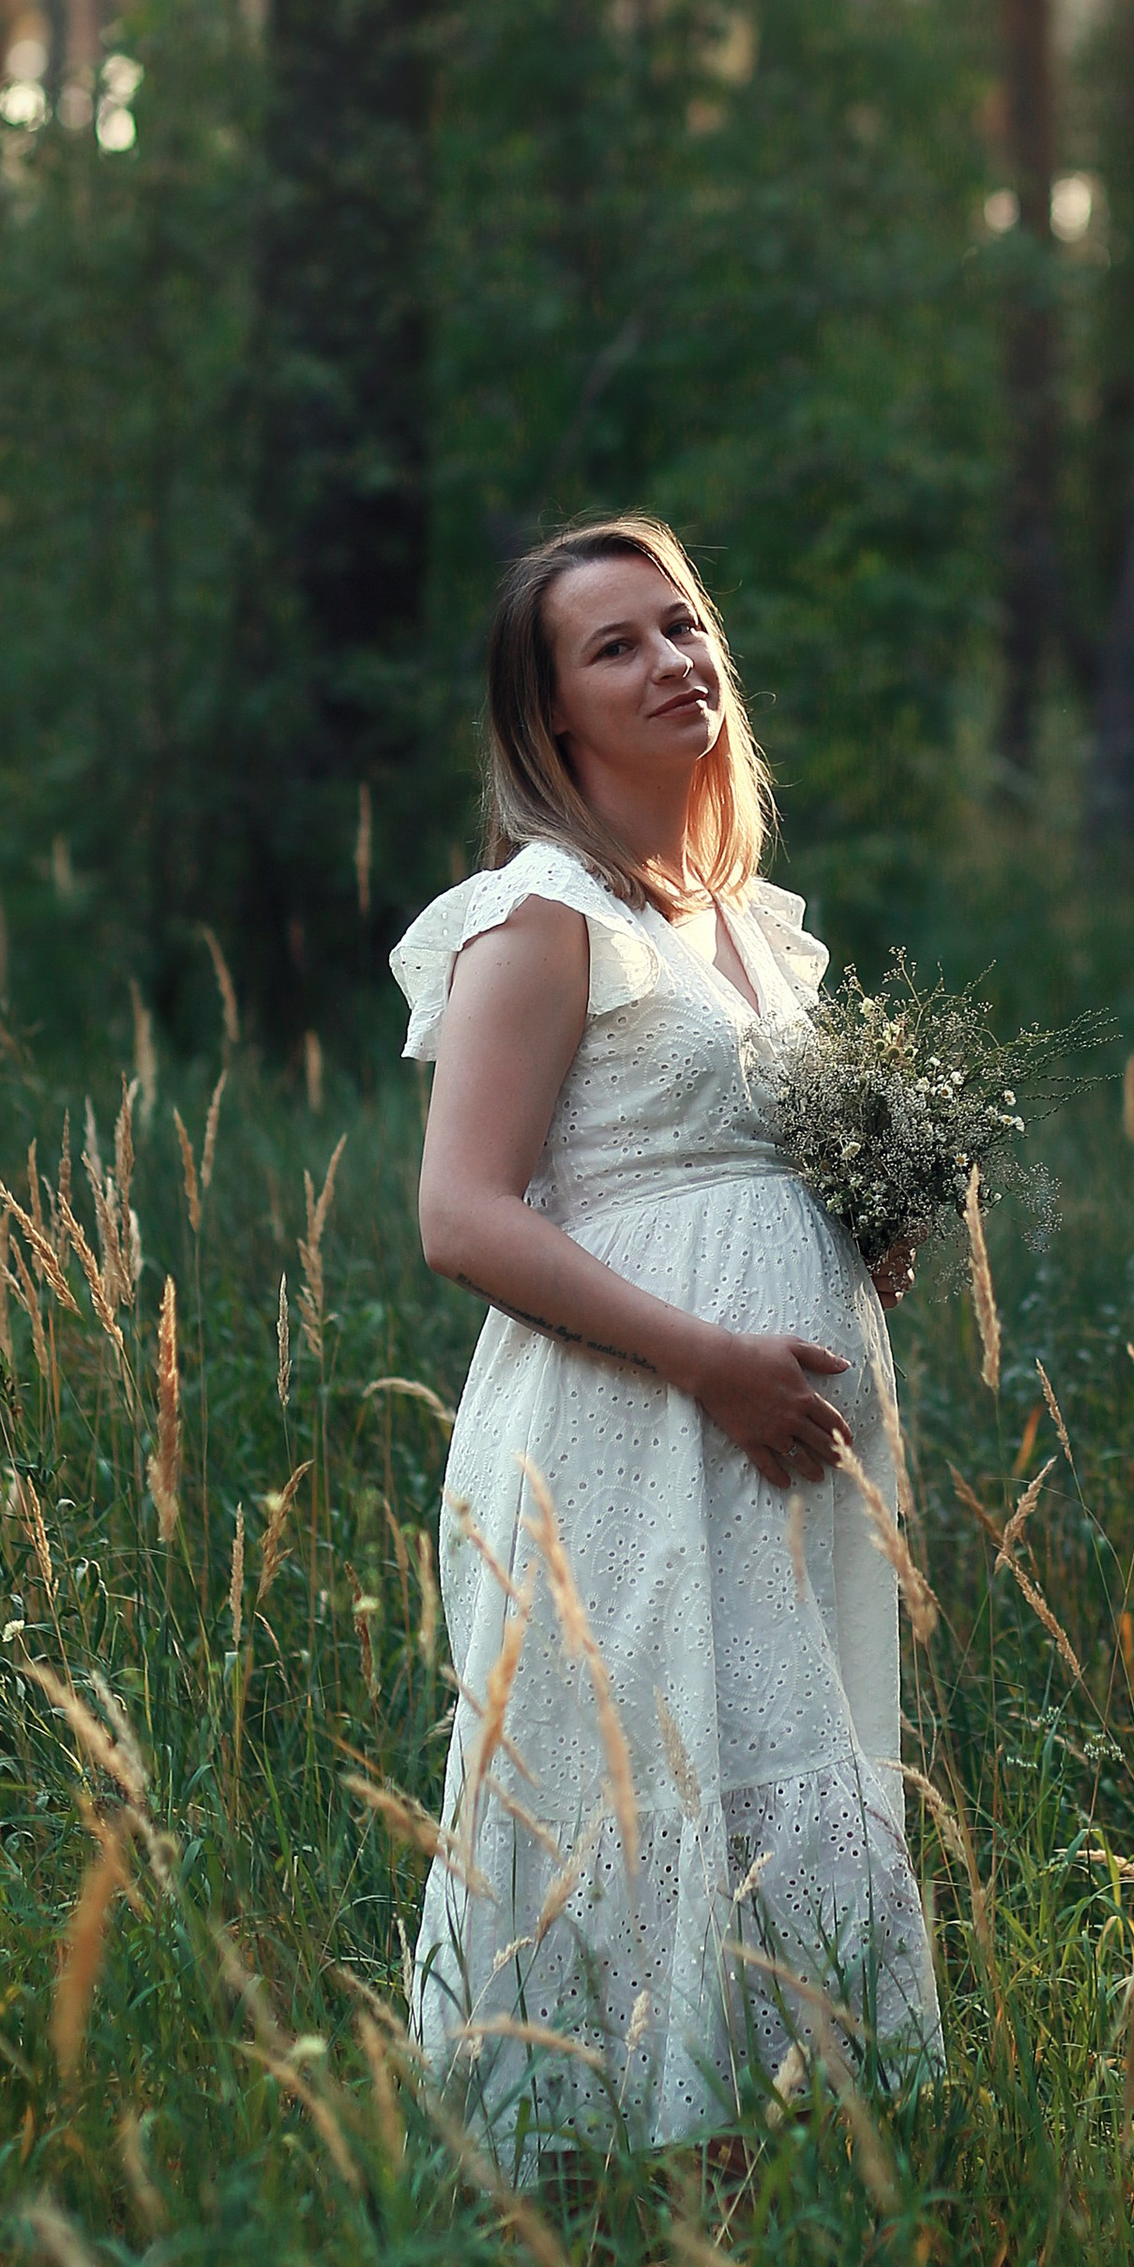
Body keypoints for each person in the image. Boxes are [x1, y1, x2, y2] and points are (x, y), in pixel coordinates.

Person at [390, 515, 943, 2159]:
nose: (673, 662)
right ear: (552, 714)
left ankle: (752, 2183)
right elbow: (465, 1213)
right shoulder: (540, 913)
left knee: (784, 1753)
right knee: (644, 1768)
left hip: (773, 1439)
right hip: (628, 1425)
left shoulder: (741, 921)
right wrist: (708, 1354)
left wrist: (863, 1225)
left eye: (684, 624)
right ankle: (587, 2199)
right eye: (616, 644)